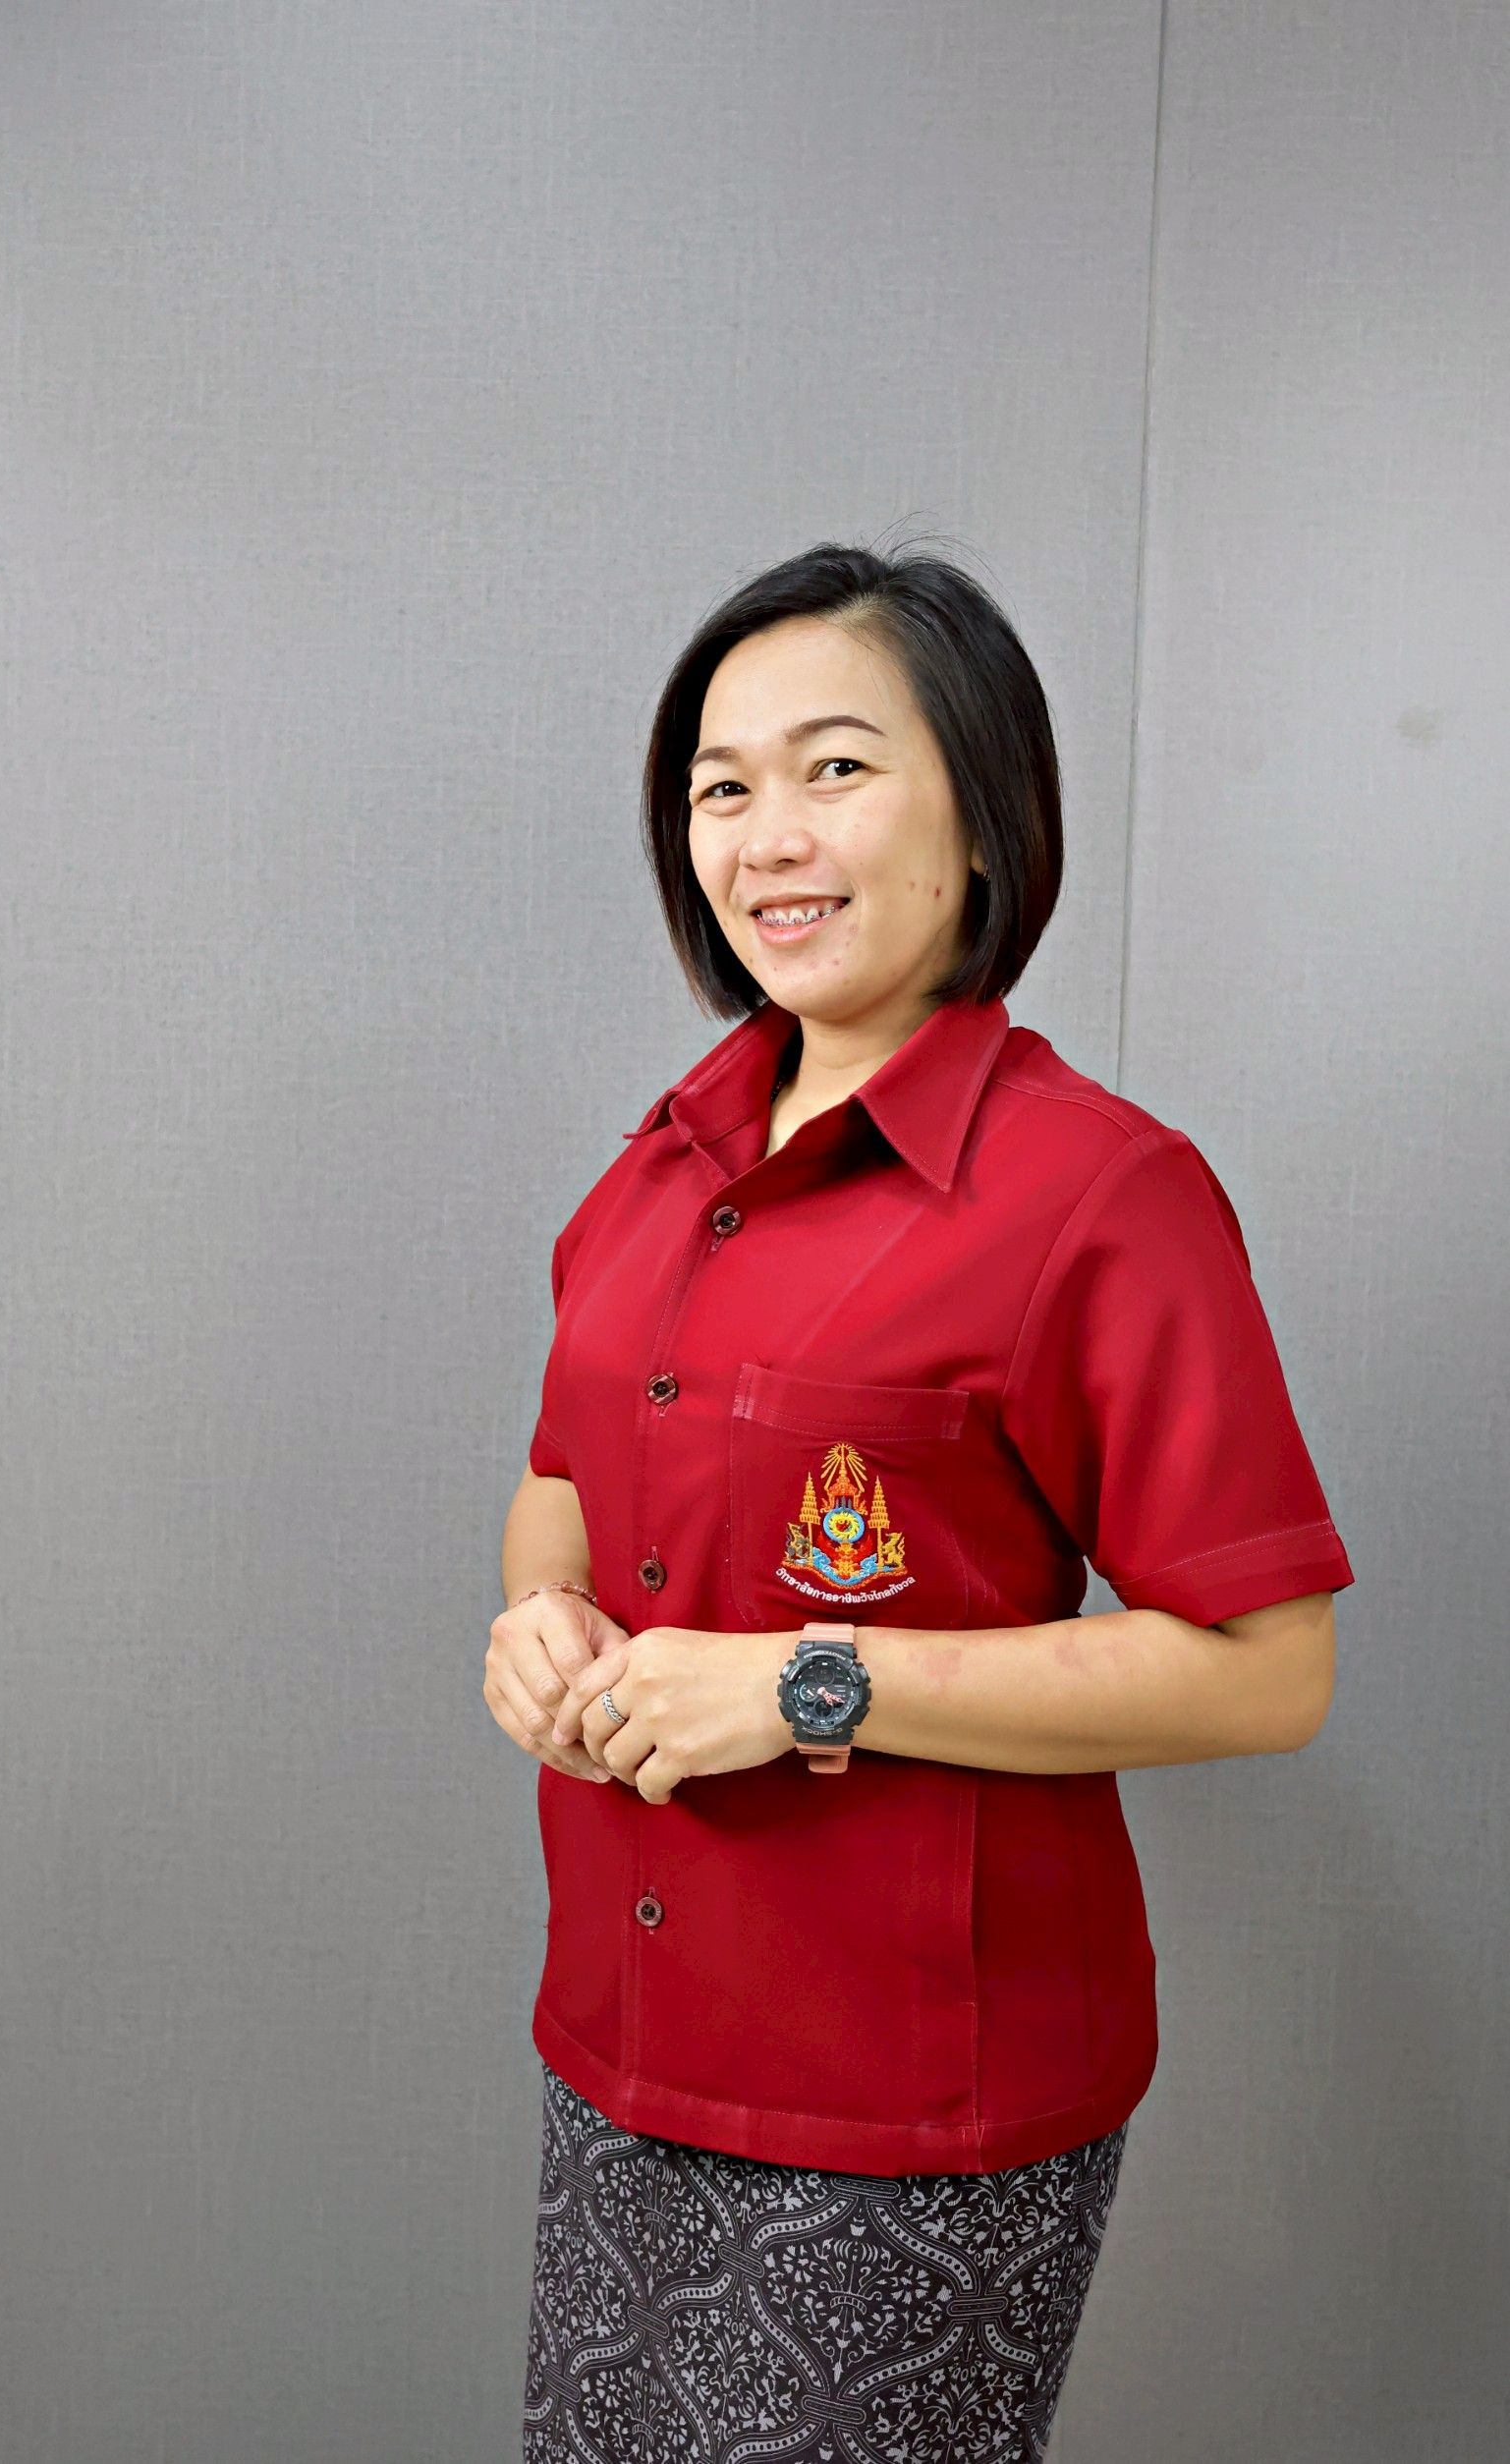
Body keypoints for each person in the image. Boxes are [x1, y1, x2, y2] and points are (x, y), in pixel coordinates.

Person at [490, 539, 1355, 2463]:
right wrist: (541, 1623)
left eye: (834, 768)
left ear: (980, 815)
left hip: (903, 2111)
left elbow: (1264, 1667)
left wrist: (804, 1682)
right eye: (721, 788)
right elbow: (561, 1483)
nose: (767, 837)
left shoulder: (1098, 1194)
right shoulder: (656, 1168)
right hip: (620, 2046)